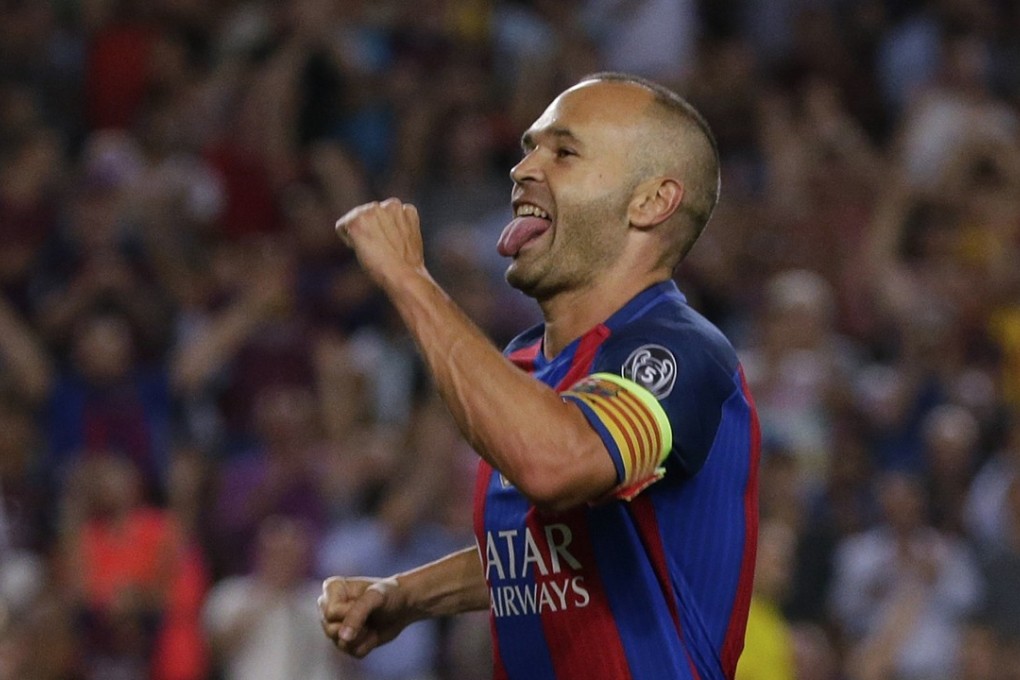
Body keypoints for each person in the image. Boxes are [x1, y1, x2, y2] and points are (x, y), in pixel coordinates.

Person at [319, 72, 760, 680]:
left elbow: (554, 466)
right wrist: (406, 594)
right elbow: (556, 551)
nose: (523, 168)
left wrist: (410, 280)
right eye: (530, 147)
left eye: (564, 151)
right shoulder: (524, 367)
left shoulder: (680, 353)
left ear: (651, 201)